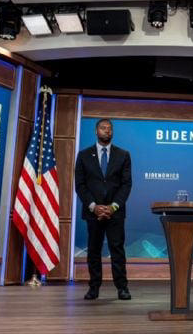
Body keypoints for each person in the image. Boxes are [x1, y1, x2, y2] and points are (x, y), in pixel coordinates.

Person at [74, 118, 132, 300]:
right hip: (93, 213)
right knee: (93, 250)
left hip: (115, 212)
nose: (107, 131)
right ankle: (94, 288)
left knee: (117, 250)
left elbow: (126, 184)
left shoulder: (123, 155)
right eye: (103, 128)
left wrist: (113, 207)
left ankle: (122, 288)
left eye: (109, 128)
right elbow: (80, 185)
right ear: (96, 131)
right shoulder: (83, 155)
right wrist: (93, 206)